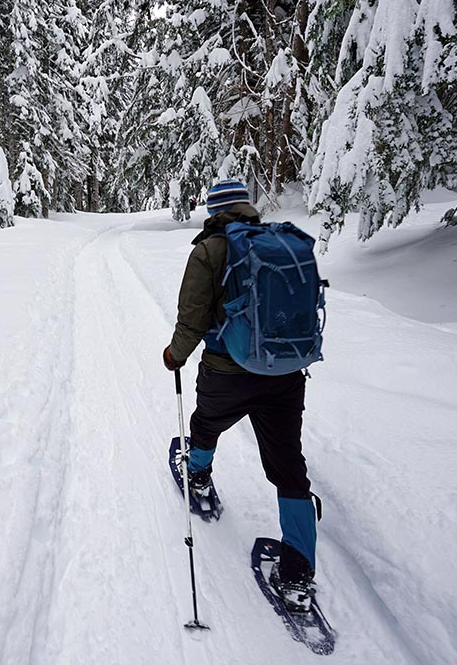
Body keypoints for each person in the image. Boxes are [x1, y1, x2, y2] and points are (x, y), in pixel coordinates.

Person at [162, 178, 318, 613]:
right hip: (286, 373)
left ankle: (197, 474)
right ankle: (298, 574)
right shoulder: (281, 241)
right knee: (289, 466)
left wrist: (175, 355)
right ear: (248, 208)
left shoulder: (209, 251)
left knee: (205, 426)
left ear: (213, 211)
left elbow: (191, 319)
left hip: (228, 372)